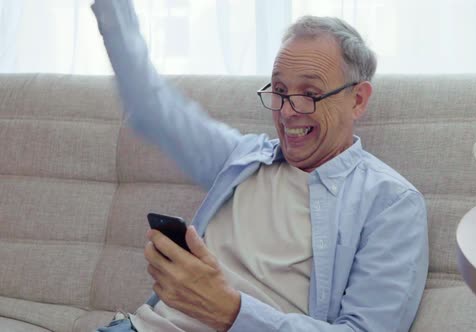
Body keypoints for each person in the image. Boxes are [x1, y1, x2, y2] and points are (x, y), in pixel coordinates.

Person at [92, 0, 428, 331]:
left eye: (309, 93)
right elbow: (152, 107)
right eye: (279, 91)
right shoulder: (242, 158)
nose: (286, 111)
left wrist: (232, 311)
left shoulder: (391, 203)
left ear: (357, 100)